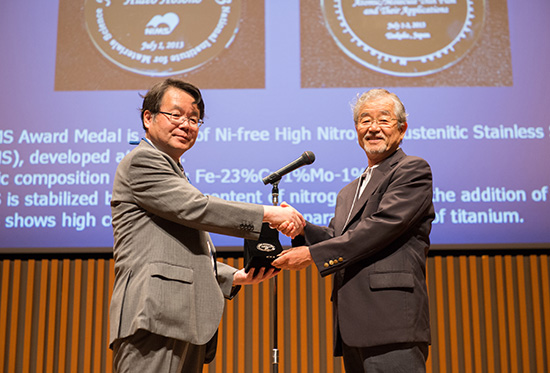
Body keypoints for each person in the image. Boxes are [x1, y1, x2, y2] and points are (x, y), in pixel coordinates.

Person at [109, 78, 305, 373]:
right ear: (148, 118)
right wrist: (267, 214)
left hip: (179, 318)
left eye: (194, 119)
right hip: (155, 314)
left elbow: (174, 246)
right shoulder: (143, 161)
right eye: (176, 115)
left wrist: (233, 276)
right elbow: (196, 207)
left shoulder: (172, 169)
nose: (186, 124)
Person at [272, 88, 434, 372]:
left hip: (392, 320)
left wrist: (311, 255)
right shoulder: (348, 191)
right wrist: (302, 227)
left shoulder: (412, 169)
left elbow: (382, 227)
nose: (373, 128)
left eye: (383, 120)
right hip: (353, 323)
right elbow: (339, 239)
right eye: (364, 120)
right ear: (356, 129)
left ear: (402, 128)